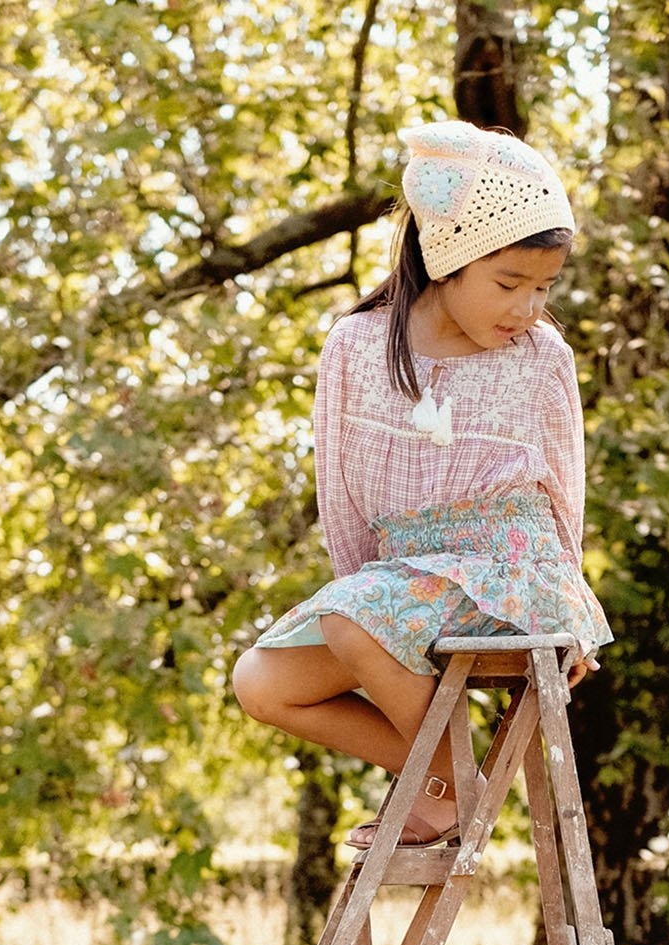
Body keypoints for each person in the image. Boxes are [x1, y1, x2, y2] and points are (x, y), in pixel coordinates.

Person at [232, 119, 610, 850]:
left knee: (354, 618)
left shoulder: (540, 357)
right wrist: (359, 599)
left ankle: (448, 789)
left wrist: (576, 611)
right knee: (262, 682)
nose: (528, 308)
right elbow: (341, 496)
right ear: (447, 259)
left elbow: (566, 487)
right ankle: (451, 780)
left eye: (544, 287)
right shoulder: (356, 347)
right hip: (401, 580)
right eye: (509, 284)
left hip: (511, 570)